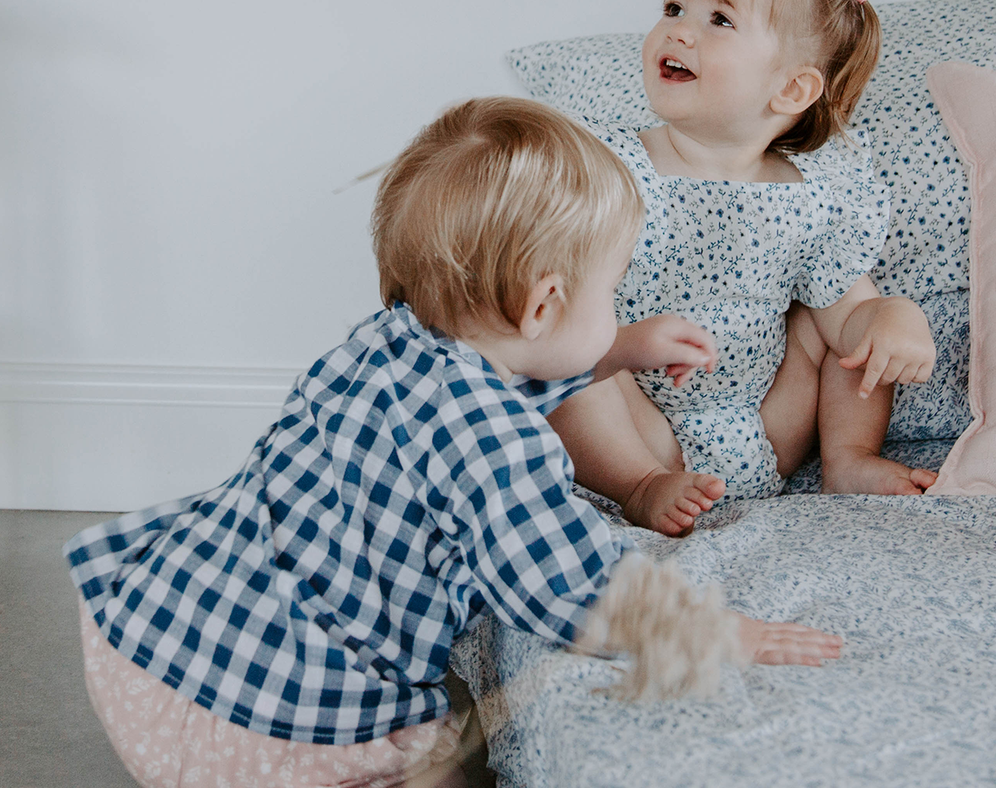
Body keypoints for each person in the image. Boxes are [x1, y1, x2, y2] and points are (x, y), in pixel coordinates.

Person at [66, 97, 842, 787]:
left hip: (152, 638)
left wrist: (616, 348)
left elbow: (492, 385)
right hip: (268, 723)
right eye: (611, 295)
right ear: (542, 304)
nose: (615, 309)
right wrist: (709, 631)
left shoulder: (386, 346)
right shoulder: (501, 449)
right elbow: (567, 587)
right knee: (428, 761)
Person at [550, 0, 938, 537]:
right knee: (562, 357)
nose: (678, 29)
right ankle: (638, 486)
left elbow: (845, 314)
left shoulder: (815, 190)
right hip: (639, 422)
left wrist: (892, 319)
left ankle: (848, 458)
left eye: (719, 20)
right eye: (674, 9)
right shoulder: (607, 167)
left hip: (772, 424)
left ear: (792, 88)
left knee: (830, 321)